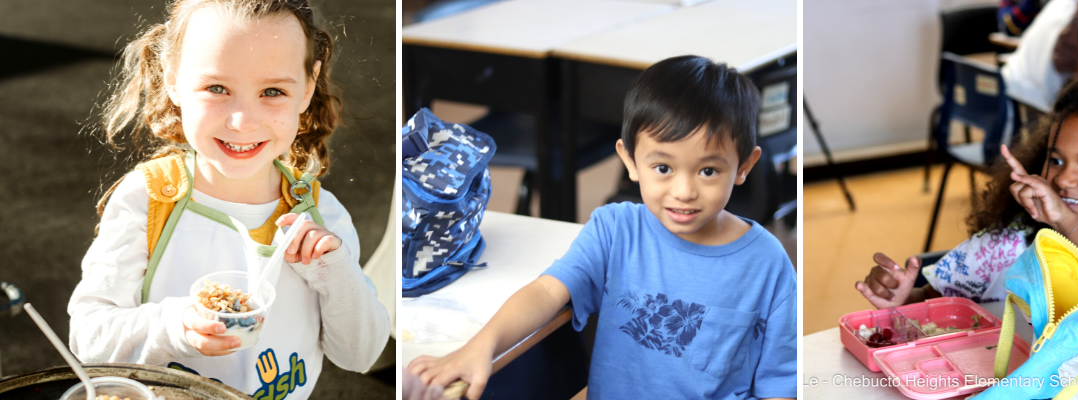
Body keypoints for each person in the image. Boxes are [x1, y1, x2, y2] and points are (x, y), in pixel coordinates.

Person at [406, 55, 797, 400]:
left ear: (744, 165)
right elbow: (546, 291)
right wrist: (481, 347)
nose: (684, 191)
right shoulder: (616, 230)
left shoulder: (767, 265)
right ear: (629, 161)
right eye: (663, 168)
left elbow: (779, 385)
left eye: (708, 170)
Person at [68, 1, 389, 398]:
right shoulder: (148, 200)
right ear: (171, 76)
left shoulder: (321, 219)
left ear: (307, 87)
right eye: (217, 88)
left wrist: (337, 275)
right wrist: (177, 326)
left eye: (273, 91)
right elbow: (88, 341)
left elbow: (360, 355)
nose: (242, 121)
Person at [860, 58, 1078, 310]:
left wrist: (1070, 226)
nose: (1064, 179)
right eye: (1056, 160)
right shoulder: (1012, 240)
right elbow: (932, 300)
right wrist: (901, 298)